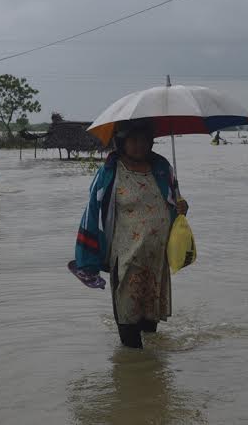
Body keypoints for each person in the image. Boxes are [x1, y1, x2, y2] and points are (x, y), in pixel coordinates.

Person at [73, 120, 189, 349]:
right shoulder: (109, 173)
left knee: (150, 326)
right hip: (126, 259)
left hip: (156, 261)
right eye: (133, 140)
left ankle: (147, 376)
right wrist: (87, 260)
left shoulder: (162, 168)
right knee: (129, 328)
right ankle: (130, 370)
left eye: (144, 140)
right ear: (121, 143)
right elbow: (92, 214)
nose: (139, 145)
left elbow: (174, 203)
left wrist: (182, 207)